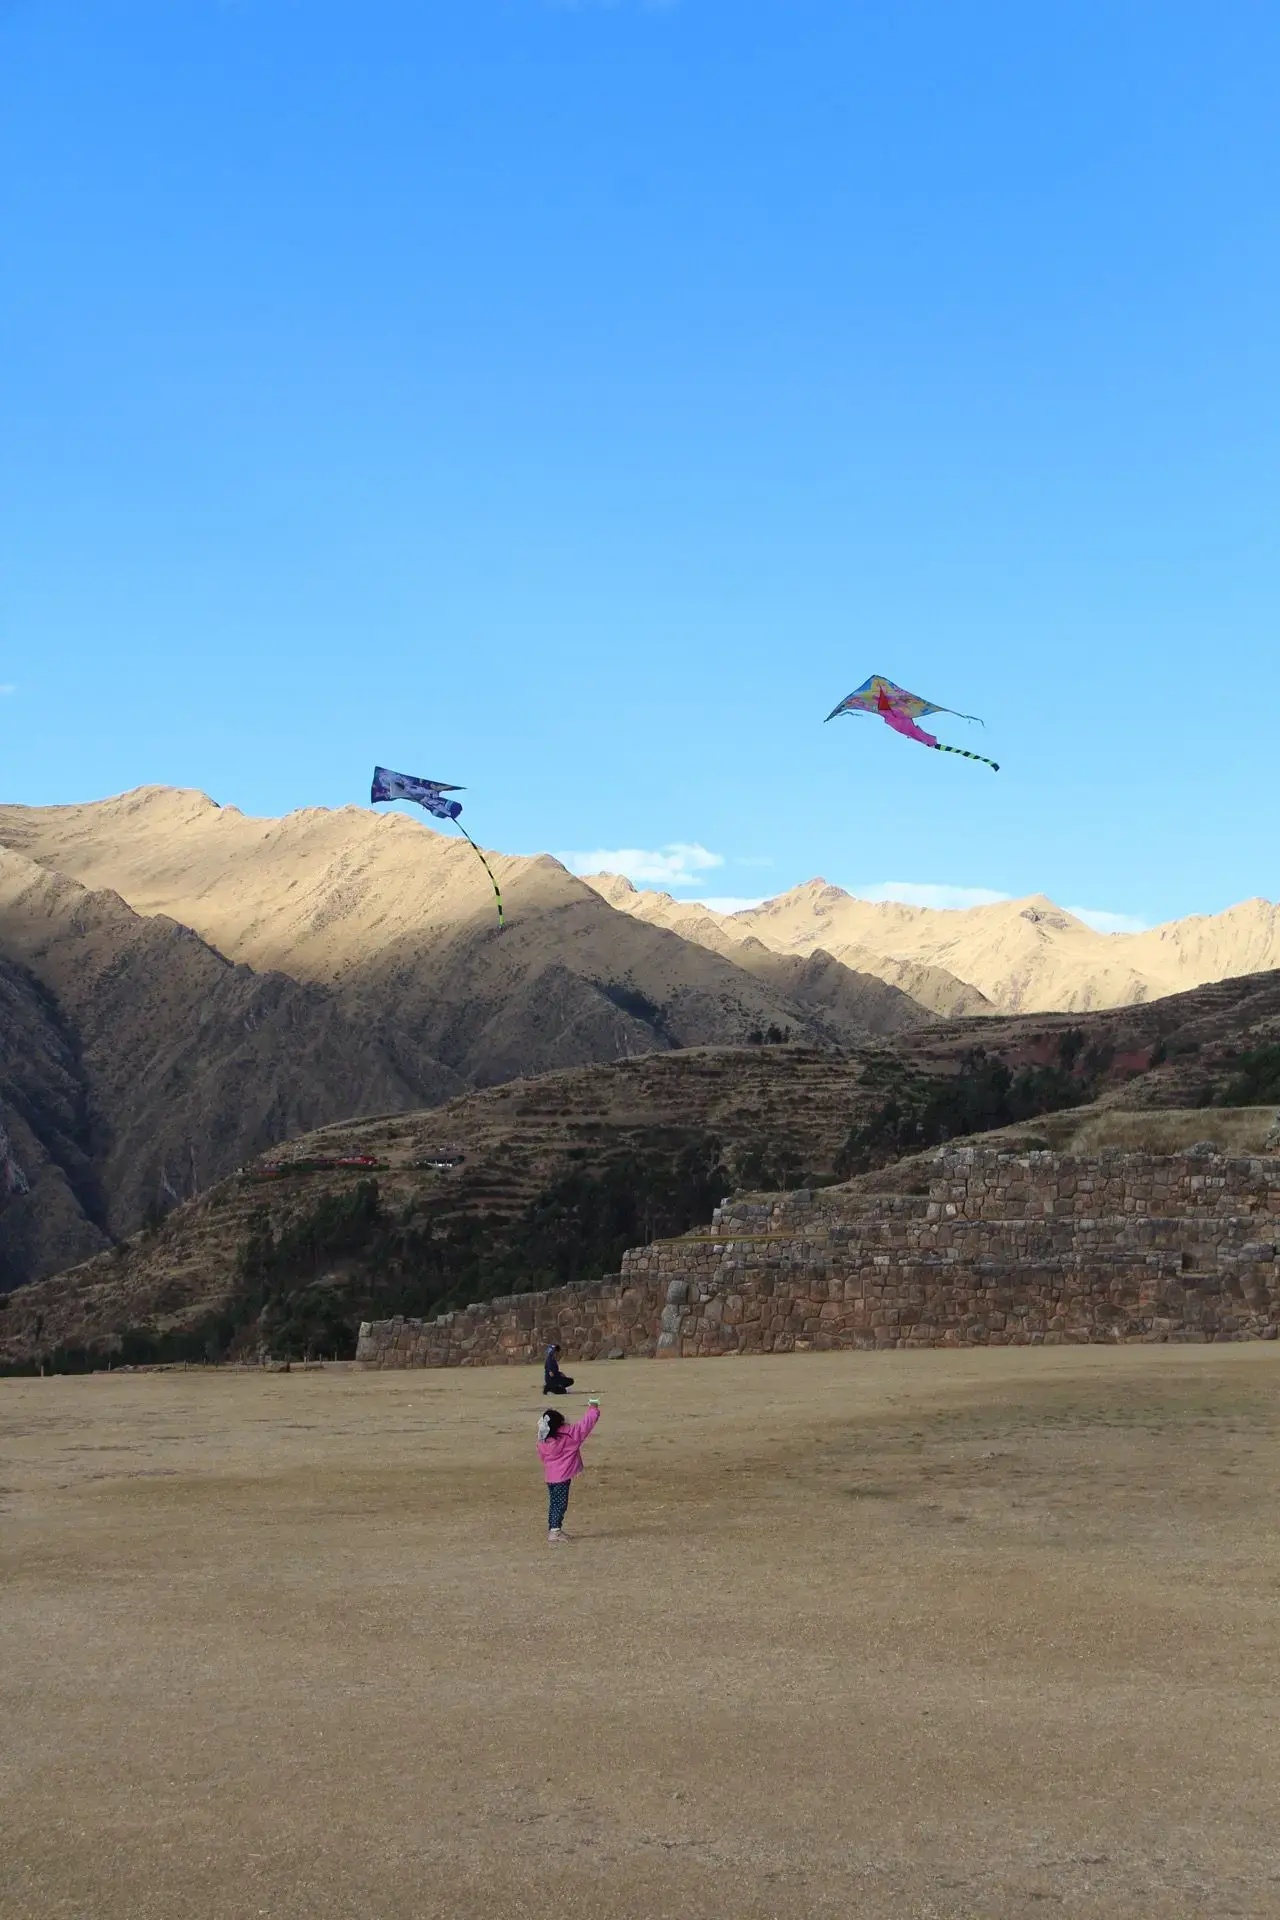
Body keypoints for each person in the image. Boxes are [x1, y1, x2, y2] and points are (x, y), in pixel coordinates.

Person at [536, 1398, 600, 1543]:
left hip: (550, 1476)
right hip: (562, 1477)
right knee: (560, 1504)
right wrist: (593, 1408)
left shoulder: (542, 1440)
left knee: (554, 1503)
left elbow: (542, 1456)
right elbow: (585, 1425)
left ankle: (553, 1528)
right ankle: (555, 1531)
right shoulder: (569, 1435)